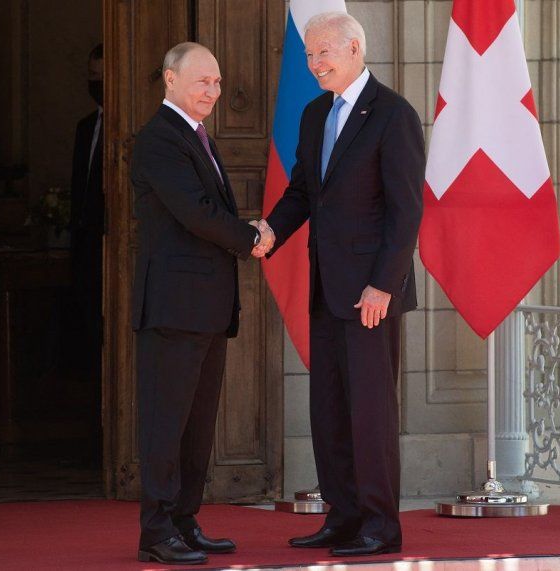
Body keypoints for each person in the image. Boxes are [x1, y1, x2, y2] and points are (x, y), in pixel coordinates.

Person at [260, 11, 424, 557]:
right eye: (309, 54)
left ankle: (380, 526)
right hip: (326, 289)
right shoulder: (314, 115)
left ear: (354, 48)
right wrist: (270, 232)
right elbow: (303, 192)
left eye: (323, 52)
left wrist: (384, 285)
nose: (314, 63)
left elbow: (406, 211)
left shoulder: (393, 114)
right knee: (329, 410)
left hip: (371, 294)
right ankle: (344, 516)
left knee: (370, 414)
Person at [130, 42, 271, 565]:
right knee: (165, 425)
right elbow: (194, 211)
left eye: (216, 82)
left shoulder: (196, 135)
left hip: (205, 309)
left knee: (196, 427)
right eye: (201, 81)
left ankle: (184, 522)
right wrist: (250, 237)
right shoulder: (159, 139)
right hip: (173, 309)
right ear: (170, 80)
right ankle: (156, 531)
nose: (212, 91)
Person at [69, 43, 104, 389]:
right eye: (91, 76)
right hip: (85, 247)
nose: (95, 84)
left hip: (112, 245)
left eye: (101, 78)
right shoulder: (85, 128)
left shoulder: (133, 131)